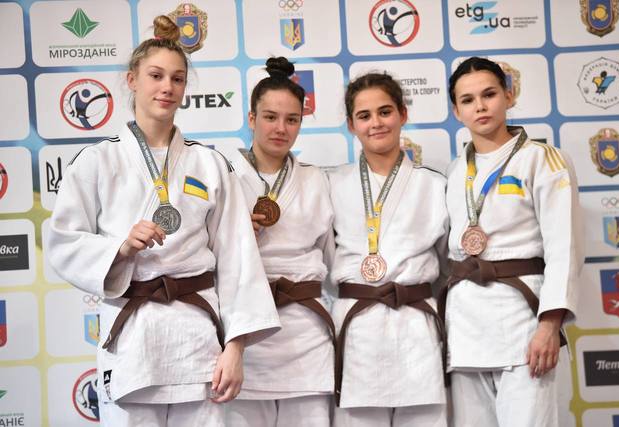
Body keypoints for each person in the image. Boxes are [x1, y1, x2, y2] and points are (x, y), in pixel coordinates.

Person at [47, 16, 280, 427]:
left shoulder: (209, 163)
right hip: (133, 338)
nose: (167, 87)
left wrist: (236, 347)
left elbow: (238, 258)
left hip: (198, 339)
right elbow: (64, 241)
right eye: (155, 76)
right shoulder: (97, 161)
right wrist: (119, 247)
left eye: (177, 78)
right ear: (132, 80)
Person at [442, 56, 583, 427]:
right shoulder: (456, 171)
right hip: (467, 330)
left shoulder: (543, 159)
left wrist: (549, 326)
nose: (480, 106)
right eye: (468, 100)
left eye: (489, 94)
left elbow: (565, 248)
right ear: (456, 111)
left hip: (524, 325)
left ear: (508, 95)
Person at [327, 72, 448, 426]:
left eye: (385, 112)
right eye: (364, 116)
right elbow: (322, 256)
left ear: (402, 114)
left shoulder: (434, 184)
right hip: (359, 329)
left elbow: (448, 265)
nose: (376, 123)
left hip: (416, 327)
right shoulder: (332, 184)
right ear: (351, 125)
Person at [225, 57, 335, 427]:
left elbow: (331, 258)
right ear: (251, 118)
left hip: (306, 336)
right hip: (246, 332)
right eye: (270, 117)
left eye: (292, 120)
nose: (281, 128)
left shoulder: (316, 180)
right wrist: (235, 233)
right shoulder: (224, 176)